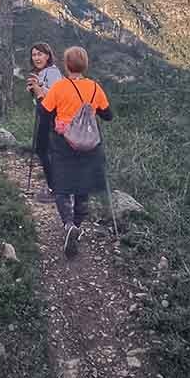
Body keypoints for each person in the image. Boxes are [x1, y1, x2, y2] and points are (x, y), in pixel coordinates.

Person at [39, 46, 113, 257]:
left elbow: (44, 112)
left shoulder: (60, 87)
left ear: (66, 64)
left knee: (62, 185)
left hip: (63, 143)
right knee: (83, 186)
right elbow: (108, 115)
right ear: (85, 65)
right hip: (90, 144)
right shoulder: (95, 87)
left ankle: (69, 224)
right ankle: (78, 225)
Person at [26, 42, 61, 201]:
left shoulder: (52, 72)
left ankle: (55, 188)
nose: (36, 58)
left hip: (51, 115)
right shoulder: (43, 72)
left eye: (40, 54)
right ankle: (55, 186)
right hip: (45, 114)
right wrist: (33, 89)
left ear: (48, 56)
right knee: (44, 150)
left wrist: (39, 87)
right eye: (34, 55)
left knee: (44, 150)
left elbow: (55, 95)